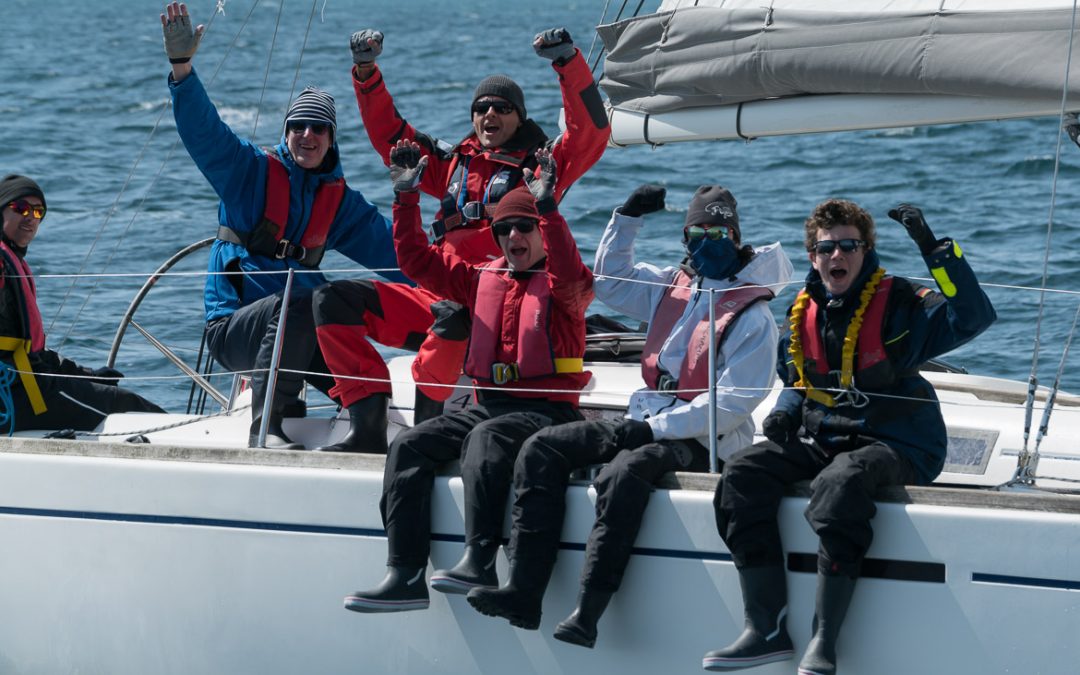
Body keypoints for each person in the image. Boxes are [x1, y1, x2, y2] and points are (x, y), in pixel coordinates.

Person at [465, 185, 794, 641]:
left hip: (701, 441)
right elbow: (612, 280)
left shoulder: (753, 316)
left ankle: (588, 611)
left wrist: (656, 428)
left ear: (736, 236)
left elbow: (731, 407)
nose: (707, 241)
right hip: (645, 420)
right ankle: (523, 590)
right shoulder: (673, 286)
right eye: (696, 232)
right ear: (684, 240)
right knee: (542, 448)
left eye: (718, 232)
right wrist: (628, 217)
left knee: (624, 473)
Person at [704, 199, 996, 674]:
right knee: (741, 474)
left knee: (840, 484)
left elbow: (974, 315)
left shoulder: (901, 302)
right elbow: (797, 383)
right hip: (828, 436)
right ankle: (765, 629)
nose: (836, 257)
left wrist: (933, 249)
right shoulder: (802, 313)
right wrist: (783, 411)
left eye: (848, 246)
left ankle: (824, 638)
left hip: (899, 443)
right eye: (826, 249)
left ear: (865, 250)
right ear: (812, 255)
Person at [305, 25, 609, 453]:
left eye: (502, 108)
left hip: (494, 300)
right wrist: (366, 71)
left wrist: (567, 62)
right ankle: (368, 423)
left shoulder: (541, 165)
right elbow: (390, 137)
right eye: (482, 107)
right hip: (434, 291)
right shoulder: (451, 163)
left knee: (454, 316)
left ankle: (429, 434)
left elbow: (591, 133)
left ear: (519, 117)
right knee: (330, 302)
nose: (490, 115)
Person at [342, 141, 593, 613]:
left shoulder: (568, 290)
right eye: (503, 228)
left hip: (547, 412)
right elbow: (417, 261)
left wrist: (549, 209)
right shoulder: (481, 279)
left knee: (487, 438)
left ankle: (479, 559)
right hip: (489, 406)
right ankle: (405, 572)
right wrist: (406, 198)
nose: (513, 235)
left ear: (540, 231)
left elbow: (568, 271)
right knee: (410, 444)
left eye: (524, 226)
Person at [160, 3, 410, 450]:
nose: (307, 136)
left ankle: (372, 435)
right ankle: (266, 428)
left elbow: (402, 259)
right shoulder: (248, 173)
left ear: (331, 139)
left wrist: (468, 290)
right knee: (301, 299)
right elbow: (204, 132)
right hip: (234, 329)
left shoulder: (340, 204)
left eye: (318, 128)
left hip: (304, 330)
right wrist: (182, 69)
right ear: (286, 132)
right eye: (298, 127)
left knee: (341, 318)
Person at [0, 175, 165, 432]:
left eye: (38, 211)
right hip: (19, 395)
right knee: (132, 410)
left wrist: (86, 375)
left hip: (28, 384)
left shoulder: (13, 262)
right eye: (20, 208)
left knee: (125, 402)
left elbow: (33, 352)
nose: (31, 216)